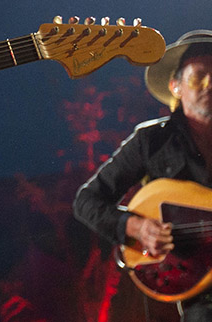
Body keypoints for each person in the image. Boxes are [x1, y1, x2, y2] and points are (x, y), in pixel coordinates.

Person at [73, 30, 212, 322]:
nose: (209, 84)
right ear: (176, 86)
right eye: (199, 76)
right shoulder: (151, 141)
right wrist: (135, 227)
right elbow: (86, 201)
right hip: (194, 290)